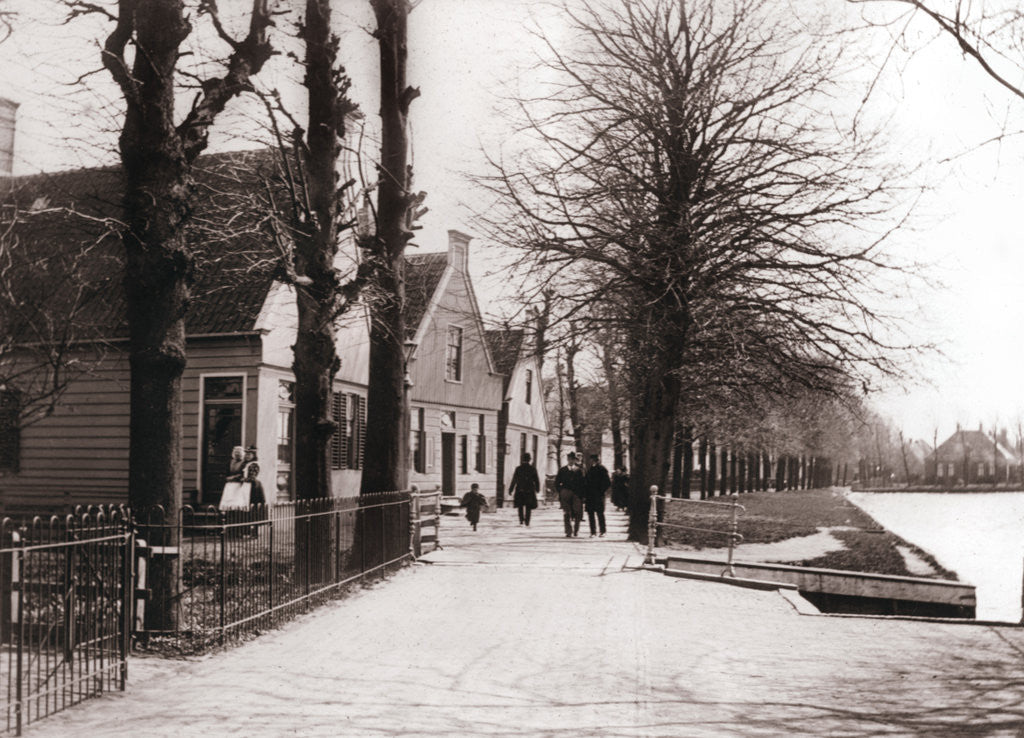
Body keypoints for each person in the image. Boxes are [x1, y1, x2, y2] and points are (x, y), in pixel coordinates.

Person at [555, 452, 585, 537]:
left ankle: (576, 530)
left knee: (577, 512)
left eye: (573, 459)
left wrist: (582, 495)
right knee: (566, 512)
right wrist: (561, 491)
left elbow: (583, 483)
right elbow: (557, 482)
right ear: (567, 460)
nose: (571, 461)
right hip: (566, 493)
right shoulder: (562, 470)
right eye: (569, 459)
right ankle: (568, 531)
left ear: (575, 460)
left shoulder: (579, 470)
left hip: (576, 494)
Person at [508, 453, 540, 526]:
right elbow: (536, 480)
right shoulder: (532, 469)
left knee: (520, 506)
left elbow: (514, 480)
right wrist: (537, 489)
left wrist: (511, 489)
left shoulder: (518, 469)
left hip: (520, 489)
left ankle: (521, 520)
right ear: (529, 460)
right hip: (529, 490)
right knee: (528, 506)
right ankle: (527, 521)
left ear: (522, 459)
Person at [584, 453, 610, 537]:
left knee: (600, 513)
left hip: (598, 495)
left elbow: (607, 482)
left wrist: (601, 490)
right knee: (591, 514)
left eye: (592, 460)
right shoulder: (590, 469)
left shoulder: (602, 469)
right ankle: (593, 532)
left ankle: (602, 531)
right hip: (590, 495)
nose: (591, 461)